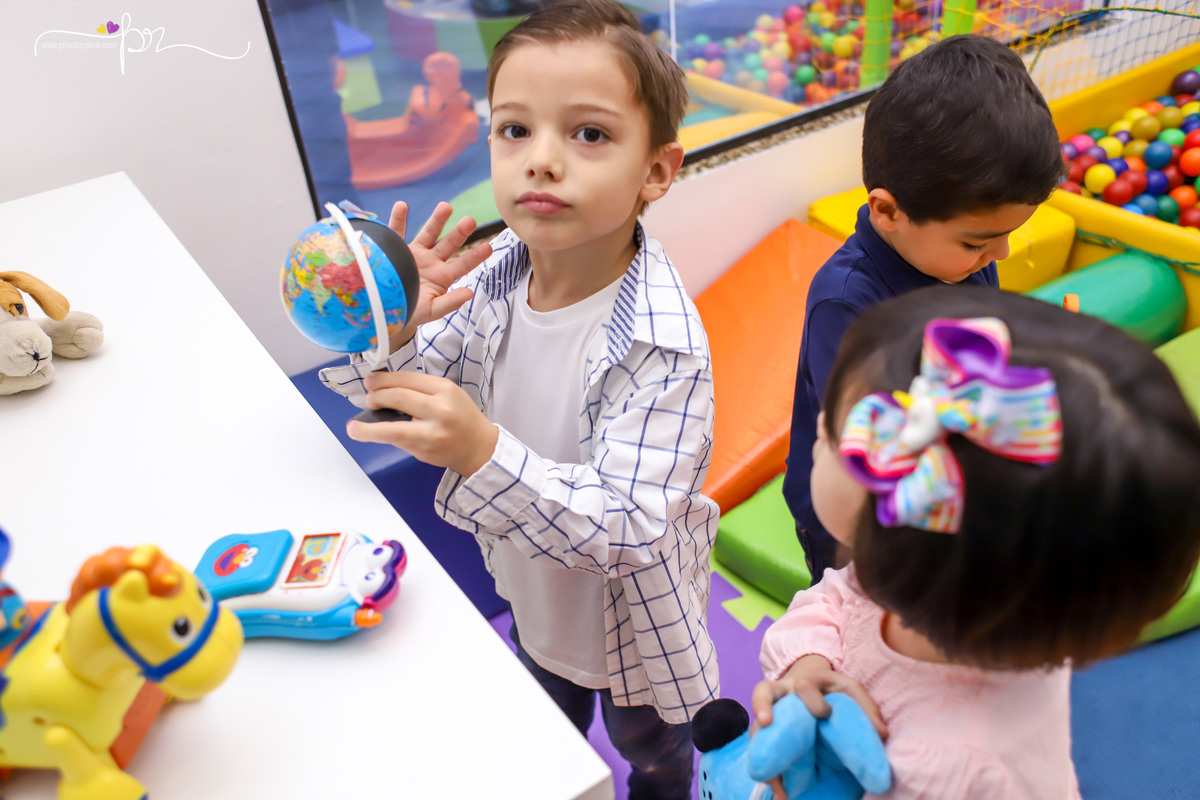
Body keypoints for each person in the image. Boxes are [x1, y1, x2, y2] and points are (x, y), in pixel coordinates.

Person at [320, 1, 715, 796]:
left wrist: (482, 451)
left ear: (657, 171)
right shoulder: (497, 269)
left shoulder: (664, 344)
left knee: (655, 755)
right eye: (514, 130)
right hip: (532, 598)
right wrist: (391, 328)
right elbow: (410, 400)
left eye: (590, 134)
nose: (541, 160)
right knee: (546, 747)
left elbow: (630, 527)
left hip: (636, 631)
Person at [753, 285, 1200, 799]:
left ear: (909, 508)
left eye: (842, 438)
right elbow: (834, 598)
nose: (823, 422)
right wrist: (809, 661)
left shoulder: (942, 772)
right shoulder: (952, 591)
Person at [782, 34, 1065, 578]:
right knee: (859, 631)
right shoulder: (846, 301)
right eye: (979, 241)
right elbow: (872, 444)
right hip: (854, 523)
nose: (999, 254)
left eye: (1005, 236)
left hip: (943, 496)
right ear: (887, 211)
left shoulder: (959, 255)